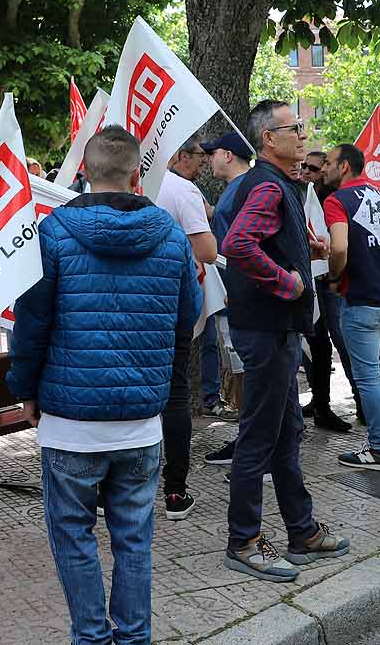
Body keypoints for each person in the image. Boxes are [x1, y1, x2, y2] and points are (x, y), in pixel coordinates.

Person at [6, 126, 201, 645]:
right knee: (134, 540)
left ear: (84, 174)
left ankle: (91, 637)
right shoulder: (170, 233)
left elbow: (32, 322)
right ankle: (134, 637)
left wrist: (24, 388)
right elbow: (190, 316)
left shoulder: (54, 233)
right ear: (138, 175)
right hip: (140, 421)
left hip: (70, 422)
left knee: (73, 537)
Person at [219, 100, 349, 581]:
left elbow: (261, 239)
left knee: (287, 431)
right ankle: (244, 541)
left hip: (277, 328)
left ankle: (302, 531)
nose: (302, 133)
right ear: (268, 140)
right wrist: (287, 281)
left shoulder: (279, 185)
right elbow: (237, 245)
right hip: (267, 327)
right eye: (293, 127)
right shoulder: (268, 186)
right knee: (259, 435)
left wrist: (304, 249)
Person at [322, 144, 380, 470]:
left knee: (369, 376)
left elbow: (341, 246)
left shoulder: (337, 201)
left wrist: (334, 274)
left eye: (329, 162)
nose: (324, 168)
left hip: (363, 299)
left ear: (345, 166)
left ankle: (378, 448)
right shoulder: (379, 196)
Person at [154, 137, 217, 521]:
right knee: (175, 394)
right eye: (196, 156)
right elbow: (207, 251)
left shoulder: (83, 203)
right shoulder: (182, 190)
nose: (201, 164)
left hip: (118, 312)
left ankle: (105, 489)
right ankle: (174, 491)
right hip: (169, 303)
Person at [299, 149, 356, 433]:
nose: (306, 171)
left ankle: (359, 397)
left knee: (338, 339)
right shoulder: (301, 193)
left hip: (330, 280)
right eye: (303, 166)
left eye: (312, 167)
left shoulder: (329, 198)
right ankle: (319, 400)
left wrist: (333, 274)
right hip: (310, 280)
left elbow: (339, 243)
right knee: (312, 342)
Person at [199, 132, 252, 420]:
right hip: (234, 290)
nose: (209, 160)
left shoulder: (242, 189)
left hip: (236, 292)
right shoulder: (239, 188)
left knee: (243, 366)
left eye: (213, 153)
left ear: (228, 155)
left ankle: (250, 439)